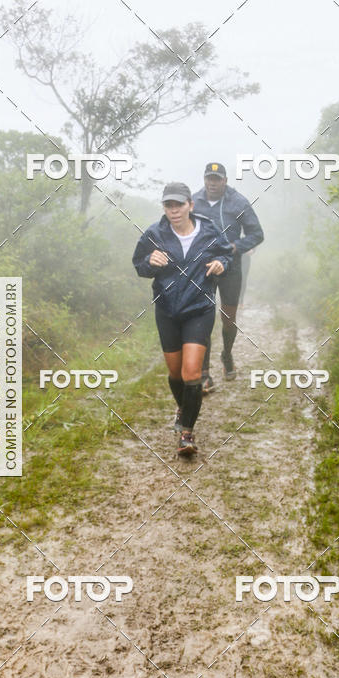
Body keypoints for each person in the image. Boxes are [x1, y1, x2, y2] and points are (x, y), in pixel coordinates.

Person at [132, 182, 233, 457]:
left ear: (191, 205)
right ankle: (184, 407)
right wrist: (149, 262)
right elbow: (139, 265)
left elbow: (226, 254)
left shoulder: (209, 230)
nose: (174, 210)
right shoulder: (155, 233)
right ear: (164, 208)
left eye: (179, 205)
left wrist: (222, 264)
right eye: (169, 205)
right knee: (175, 374)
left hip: (199, 308)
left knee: (191, 373)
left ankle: (186, 433)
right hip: (167, 310)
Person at [192, 162, 264, 392]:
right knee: (202, 318)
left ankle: (226, 354)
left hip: (230, 267)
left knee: (228, 318)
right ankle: (204, 373)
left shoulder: (238, 202)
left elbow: (257, 234)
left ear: (225, 180)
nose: (212, 183)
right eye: (209, 179)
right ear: (204, 179)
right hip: (203, 268)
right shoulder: (193, 202)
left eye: (217, 179)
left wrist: (236, 247)